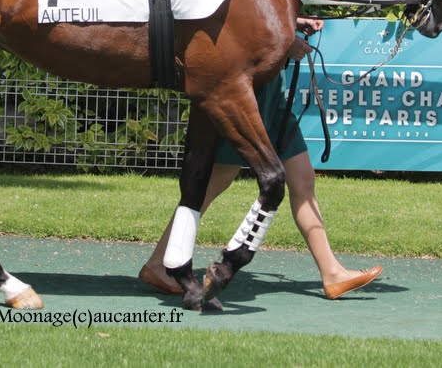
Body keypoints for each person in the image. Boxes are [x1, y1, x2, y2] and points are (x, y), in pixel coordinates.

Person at [139, 17, 383, 300]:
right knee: (215, 181)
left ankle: (332, 273)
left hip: (272, 95)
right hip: (246, 94)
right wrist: (286, 42)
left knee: (302, 180)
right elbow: (242, 19)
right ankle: (159, 262)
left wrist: (292, 27)